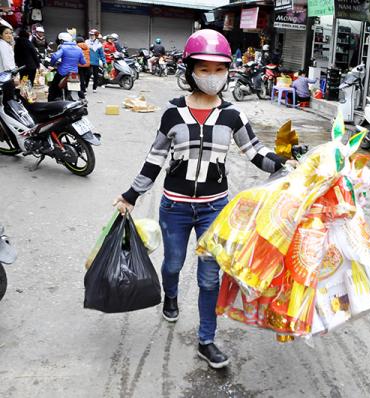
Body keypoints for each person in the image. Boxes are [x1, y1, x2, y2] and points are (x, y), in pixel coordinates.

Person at [113, 29, 297, 369]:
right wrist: (131, 194)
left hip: (215, 208)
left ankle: (207, 340)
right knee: (172, 264)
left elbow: (255, 152)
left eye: (219, 70)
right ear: (190, 71)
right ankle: (170, 295)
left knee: (209, 276)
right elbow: (155, 159)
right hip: (176, 207)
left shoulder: (233, 116)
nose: (212, 77)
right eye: (204, 69)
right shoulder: (172, 114)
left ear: (228, 72)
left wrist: (285, 163)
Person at [48, 32, 85, 101]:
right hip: (74, 73)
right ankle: (81, 98)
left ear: (61, 40)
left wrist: (51, 64)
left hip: (63, 72)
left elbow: (55, 57)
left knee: (53, 87)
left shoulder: (63, 47)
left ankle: (51, 103)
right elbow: (83, 62)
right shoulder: (79, 49)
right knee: (76, 88)